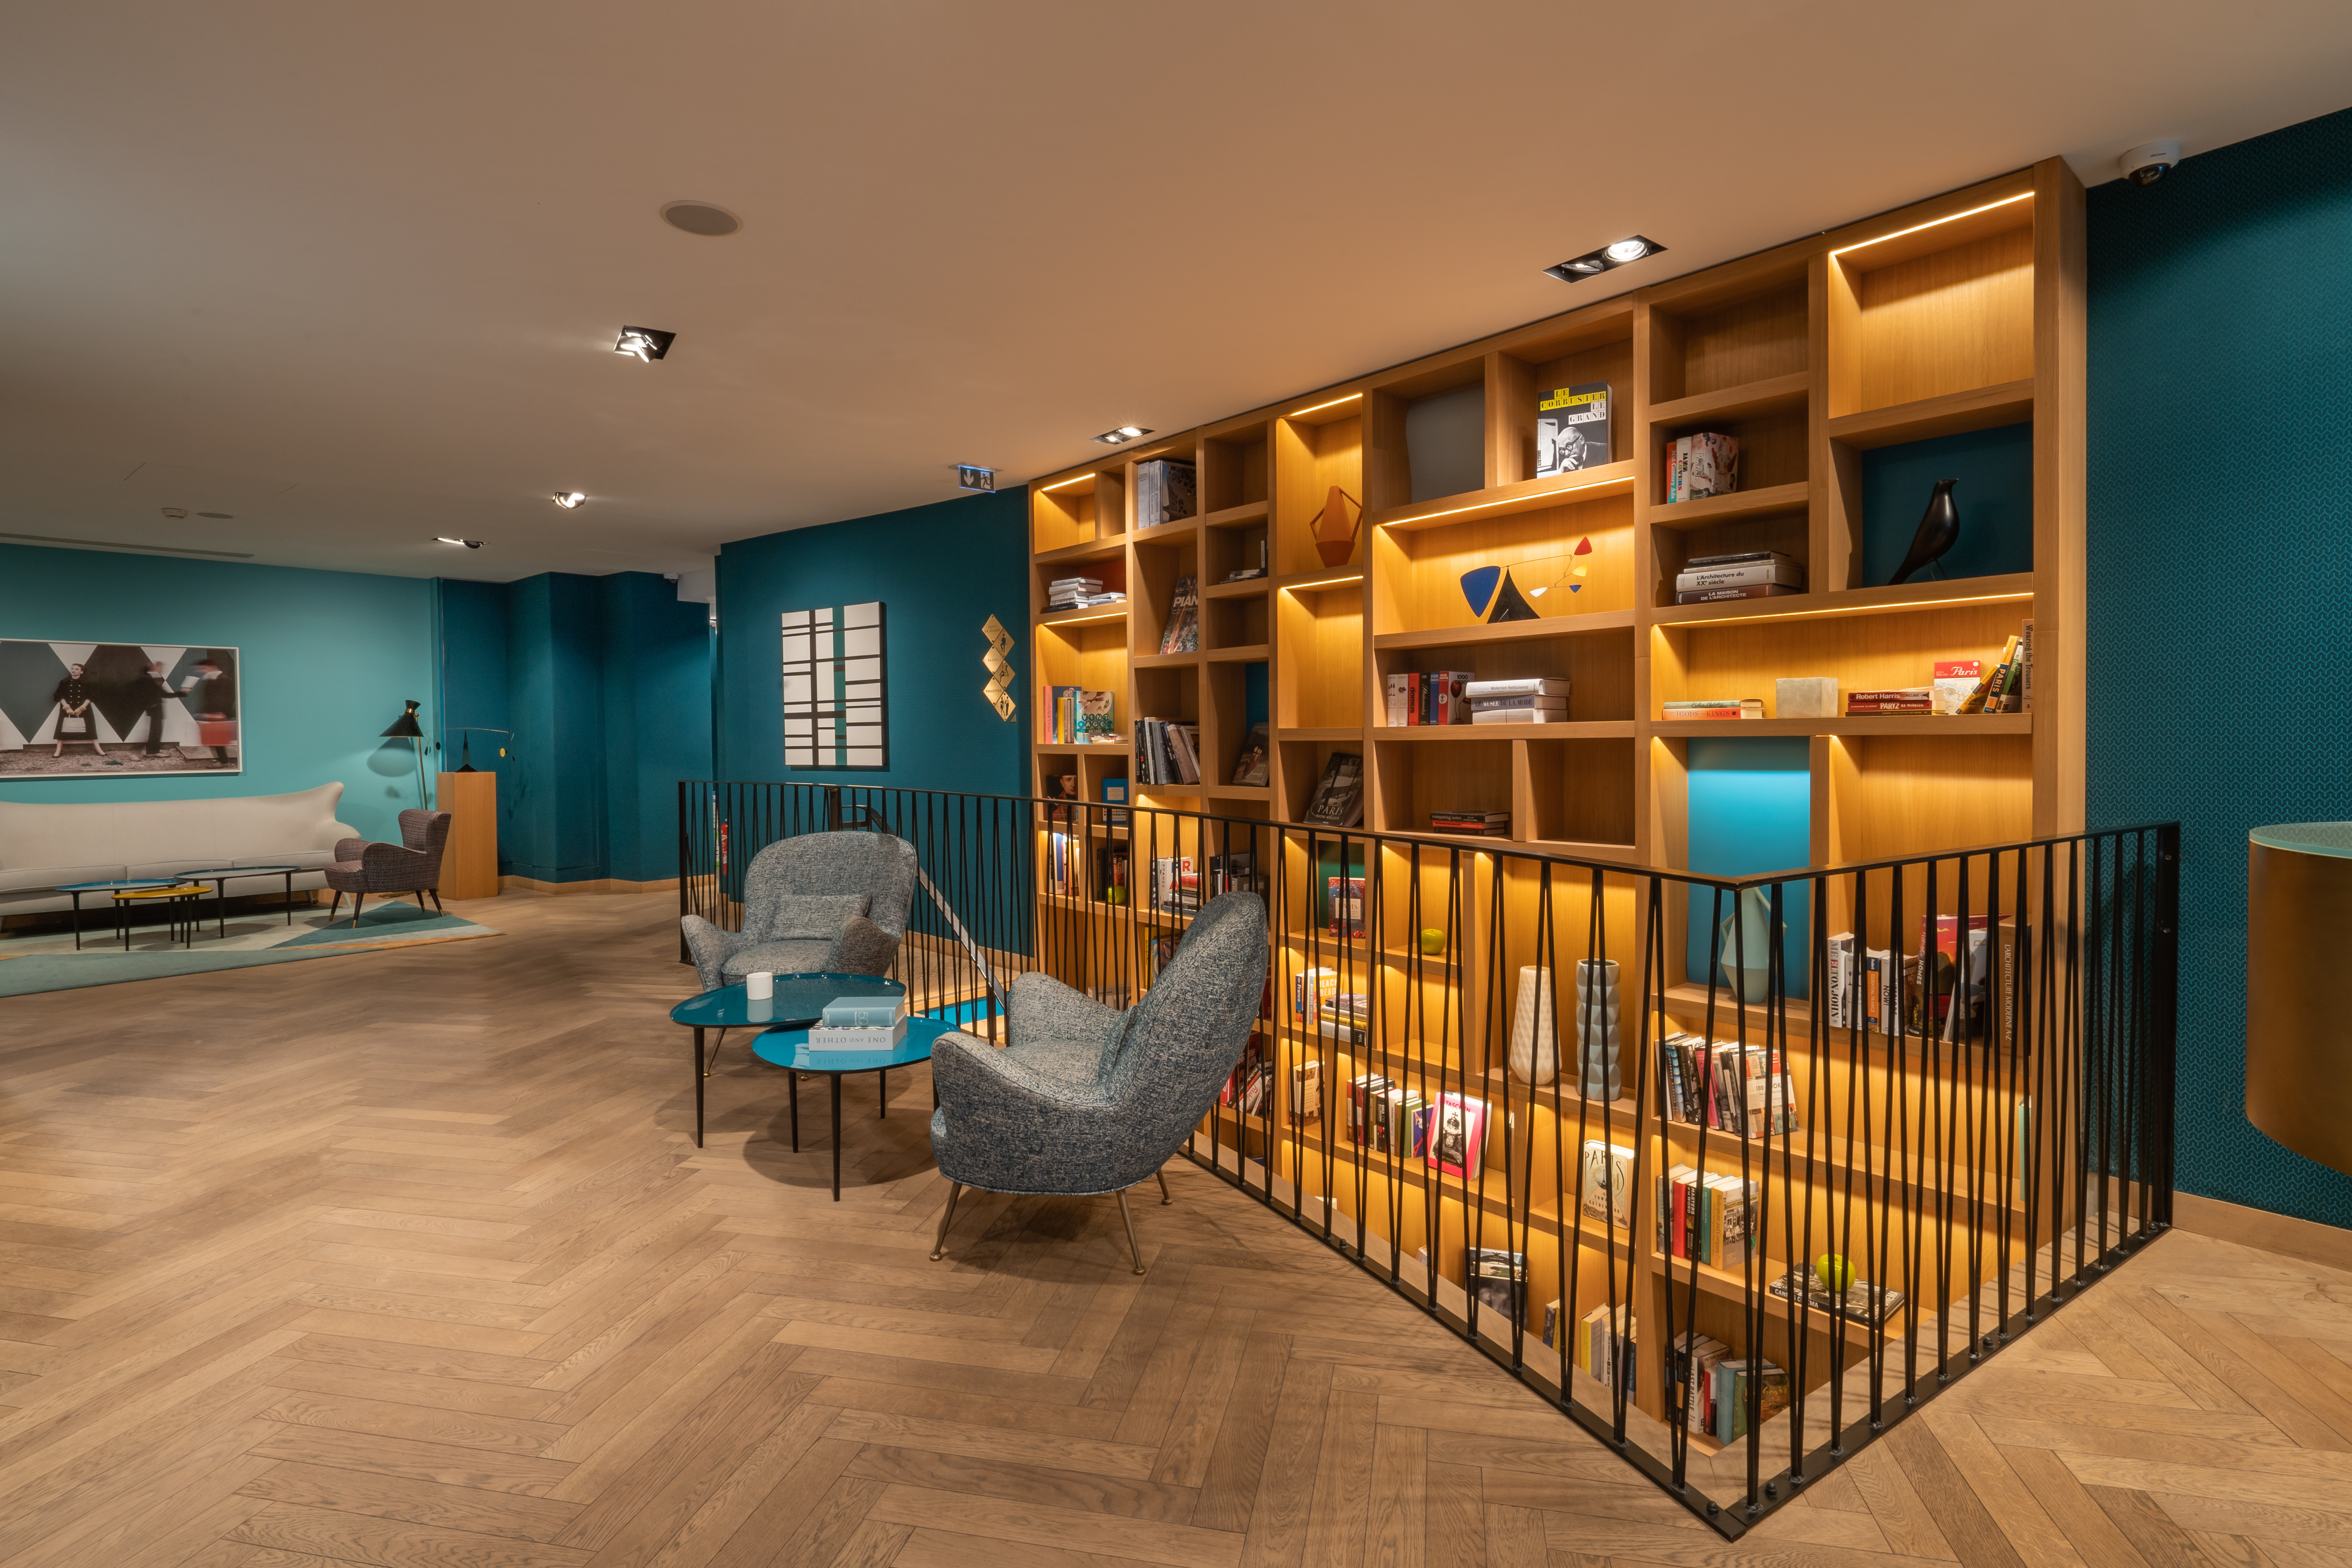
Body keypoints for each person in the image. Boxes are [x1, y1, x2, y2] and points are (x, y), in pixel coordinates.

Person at [49, 664, 104, 758]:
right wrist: (67, 708)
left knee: (90, 727)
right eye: (73, 669)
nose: (74, 670)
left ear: (82, 672)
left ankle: (97, 748)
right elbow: (59, 696)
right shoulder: (64, 682)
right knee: (62, 729)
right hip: (67, 708)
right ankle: (59, 749)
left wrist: (82, 708)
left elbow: (91, 696)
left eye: (77, 669)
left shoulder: (87, 683)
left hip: (84, 708)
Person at [136, 660, 172, 755]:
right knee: (156, 730)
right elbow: (145, 694)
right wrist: (151, 705)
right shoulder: (150, 679)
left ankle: (153, 751)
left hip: (157, 708)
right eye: (160, 668)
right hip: (155, 708)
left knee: (157, 730)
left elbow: (163, 694)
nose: (162, 670)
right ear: (156, 668)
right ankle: (153, 751)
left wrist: (181, 693)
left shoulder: (156, 678)